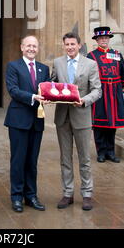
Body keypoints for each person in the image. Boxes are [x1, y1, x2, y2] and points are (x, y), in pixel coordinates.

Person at [49, 32, 102, 211]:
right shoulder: (57, 62)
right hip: (62, 117)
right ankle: (68, 193)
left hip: (82, 115)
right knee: (65, 158)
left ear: (79, 45)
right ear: (63, 46)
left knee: (84, 158)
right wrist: (48, 92)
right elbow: (53, 83)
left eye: (73, 44)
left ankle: (87, 194)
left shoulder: (91, 64)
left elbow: (97, 90)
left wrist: (84, 100)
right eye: (67, 44)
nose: (70, 47)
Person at [4, 35, 50, 213]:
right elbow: (13, 90)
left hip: (37, 121)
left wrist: (53, 95)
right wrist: (32, 97)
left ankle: (31, 196)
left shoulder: (43, 69)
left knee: (32, 161)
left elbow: (47, 88)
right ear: (22, 47)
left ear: (38, 49)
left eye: (34, 46)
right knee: (18, 160)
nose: (31, 48)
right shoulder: (13, 66)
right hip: (18, 121)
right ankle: (16, 197)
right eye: (28, 45)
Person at [87, 27, 124, 163]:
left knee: (112, 124)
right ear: (97, 40)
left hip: (115, 92)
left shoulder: (117, 54)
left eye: (106, 38)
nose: (104, 40)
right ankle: (101, 152)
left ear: (109, 39)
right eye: (101, 38)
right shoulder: (92, 56)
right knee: (100, 124)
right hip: (100, 92)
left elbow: (123, 72)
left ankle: (111, 152)